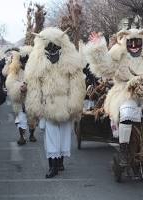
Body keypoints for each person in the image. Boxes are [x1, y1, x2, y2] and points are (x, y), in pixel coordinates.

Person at [86, 28, 143, 166]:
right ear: (126, 43)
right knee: (126, 114)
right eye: (130, 42)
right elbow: (104, 67)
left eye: (137, 41)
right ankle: (124, 150)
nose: (134, 45)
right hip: (126, 94)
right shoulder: (119, 56)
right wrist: (97, 48)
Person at [24, 27, 86, 178]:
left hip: (65, 103)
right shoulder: (37, 60)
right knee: (51, 135)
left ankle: (60, 161)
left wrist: (74, 103)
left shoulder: (71, 59)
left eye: (55, 46)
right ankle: (53, 165)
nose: (52, 50)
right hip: (48, 103)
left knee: (65, 134)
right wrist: (35, 105)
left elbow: (76, 83)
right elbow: (34, 84)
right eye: (49, 46)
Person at [5, 46, 37, 145]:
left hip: (32, 98)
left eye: (27, 61)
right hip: (20, 100)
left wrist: (31, 87)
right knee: (21, 117)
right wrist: (20, 88)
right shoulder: (15, 70)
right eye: (23, 61)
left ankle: (31, 134)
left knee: (32, 119)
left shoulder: (34, 70)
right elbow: (10, 82)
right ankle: (22, 136)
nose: (25, 63)